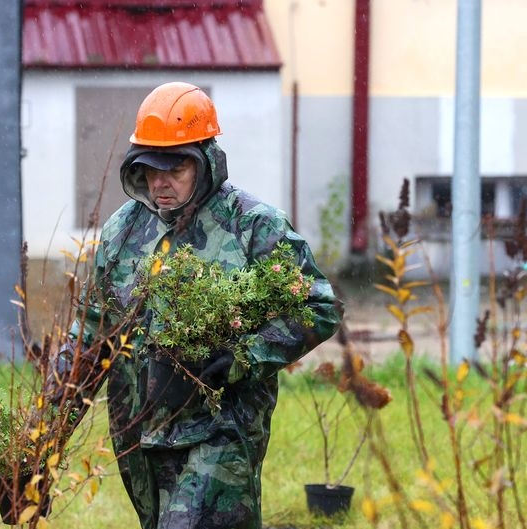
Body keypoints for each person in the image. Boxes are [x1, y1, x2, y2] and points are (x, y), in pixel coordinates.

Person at [55, 81, 341, 529]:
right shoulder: (122, 232)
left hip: (220, 430)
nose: (161, 182)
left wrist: (242, 357)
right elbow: (91, 337)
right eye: (150, 168)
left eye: (176, 167)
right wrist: (40, 442)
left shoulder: (252, 226)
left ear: (205, 160)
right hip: (139, 436)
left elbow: (318, 306)